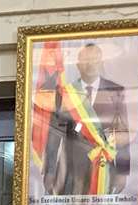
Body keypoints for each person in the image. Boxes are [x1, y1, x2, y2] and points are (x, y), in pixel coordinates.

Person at [42, 42, 131, 196]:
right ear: (78, 65)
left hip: (104, 165)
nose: (90, 64)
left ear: (101, 63)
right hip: (72, 169)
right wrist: (50, 171)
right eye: (86, 60)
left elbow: (122, 134)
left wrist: (122, 172)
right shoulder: (65, 93)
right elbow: (54, 134)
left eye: (95, 59)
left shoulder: (115, 91)